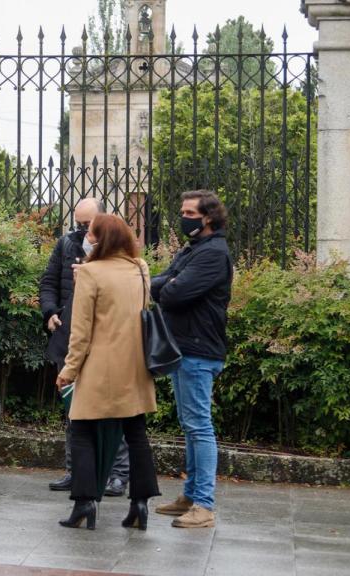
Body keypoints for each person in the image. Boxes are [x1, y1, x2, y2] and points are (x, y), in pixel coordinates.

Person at [55, 214, 161, 531]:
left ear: (101, 239)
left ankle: (85, 502)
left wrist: (69, 370)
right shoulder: (140, 269)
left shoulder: (90, 272)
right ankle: (140, 503)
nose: (87, 238)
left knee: (83, 431)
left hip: (100, 367)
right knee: (136, 433)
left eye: (91, 234)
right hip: (136, 365)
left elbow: (81, 331)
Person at [151, 190, 233, 529]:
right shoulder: (194, 249)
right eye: (182, 210)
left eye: (189, 212)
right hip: (185, 348)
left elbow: (172, 292)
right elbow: (158, 283)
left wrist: (167, 285)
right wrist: (166, 284)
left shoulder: (213, 254)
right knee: (190, 427)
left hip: (198, 351)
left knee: (199, 426)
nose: (183, 217)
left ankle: (204, 505)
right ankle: (190, 495)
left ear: (208, 217)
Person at [40, 199, 130, 496]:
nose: (81, 230)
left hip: (103, 344)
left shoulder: (117, 253)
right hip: (68, 337)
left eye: (87, 224)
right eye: (77, 223)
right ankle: (75, 469)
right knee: (72, 408)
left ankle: (116, 473)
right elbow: (49, 282)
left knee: (110, 410)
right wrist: (50, 311)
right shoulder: (66, 245)